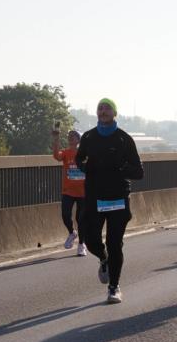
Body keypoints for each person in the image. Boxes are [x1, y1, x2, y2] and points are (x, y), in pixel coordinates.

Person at [74, 99, 144, 303]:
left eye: (107, 108)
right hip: (95, 197)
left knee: (115, 244)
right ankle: (103, 259)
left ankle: (114, 287)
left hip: (118, 199)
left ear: (114, 113)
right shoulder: (88, 137)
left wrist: (121, 169)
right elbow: (79, 159)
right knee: (91, 240)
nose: (102, 111)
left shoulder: (124, 139)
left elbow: (139, 172)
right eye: (100, 108)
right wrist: (85, 167)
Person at [51, 127, 87, 256]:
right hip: (68, 191)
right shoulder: (66, 153)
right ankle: (72, 232)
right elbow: (56, 156)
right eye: (69, 135)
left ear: (79, 139)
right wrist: (56, 139)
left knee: (81, 219)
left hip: (83, 192)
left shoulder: (85, 154)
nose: (71, 137)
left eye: (74, 135)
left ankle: (81, 244)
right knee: (65, 215)